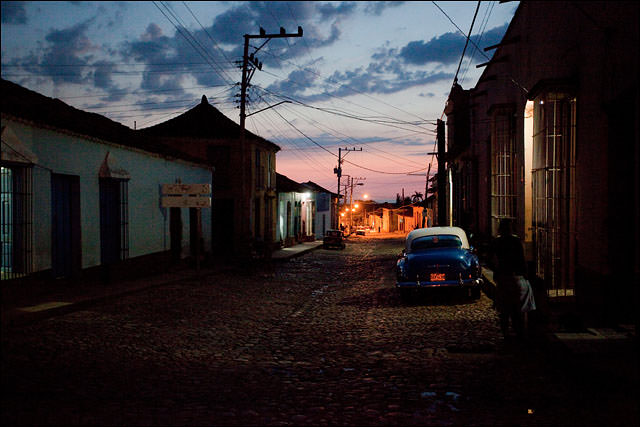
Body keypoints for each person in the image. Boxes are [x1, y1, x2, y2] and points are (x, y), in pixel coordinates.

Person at [489, 219, 527, 339]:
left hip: (502, 277)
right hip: (515, 276)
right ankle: (519, 332)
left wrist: (496, 269)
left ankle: (506, 332)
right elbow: (522, 260)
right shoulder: (516, 242)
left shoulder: (497, 242)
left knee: (504, 309)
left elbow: (490, 259)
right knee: (517, 308)